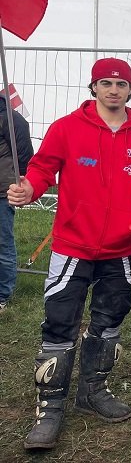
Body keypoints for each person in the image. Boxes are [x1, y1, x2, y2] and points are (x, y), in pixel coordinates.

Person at [7, 58, 131, 450]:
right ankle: (50, 408)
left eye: (121, 84)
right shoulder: (66, 128)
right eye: (106, 83)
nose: (114, 90)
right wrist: (29, 189)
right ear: (94, 88)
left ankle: (93, 391)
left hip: (120, 250)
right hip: (72, 247)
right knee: (60, 324)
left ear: (130, 90)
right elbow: (42, 169)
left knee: (110, 322)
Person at [0, 91, 33, 311]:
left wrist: (17, 181)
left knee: (2, 244)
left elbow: (24, 155)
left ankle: (2, 294)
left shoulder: (10, 118)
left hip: (2, 190)